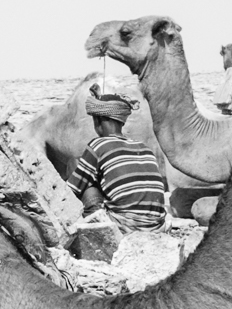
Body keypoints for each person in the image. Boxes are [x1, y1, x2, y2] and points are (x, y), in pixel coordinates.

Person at [68, 95, 170, 229]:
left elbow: (72, 189)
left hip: (127, 227)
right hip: (157, 226)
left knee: (89, 190)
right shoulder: (144, 148)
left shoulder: (99, 145)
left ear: (97, 121)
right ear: (121, 121)